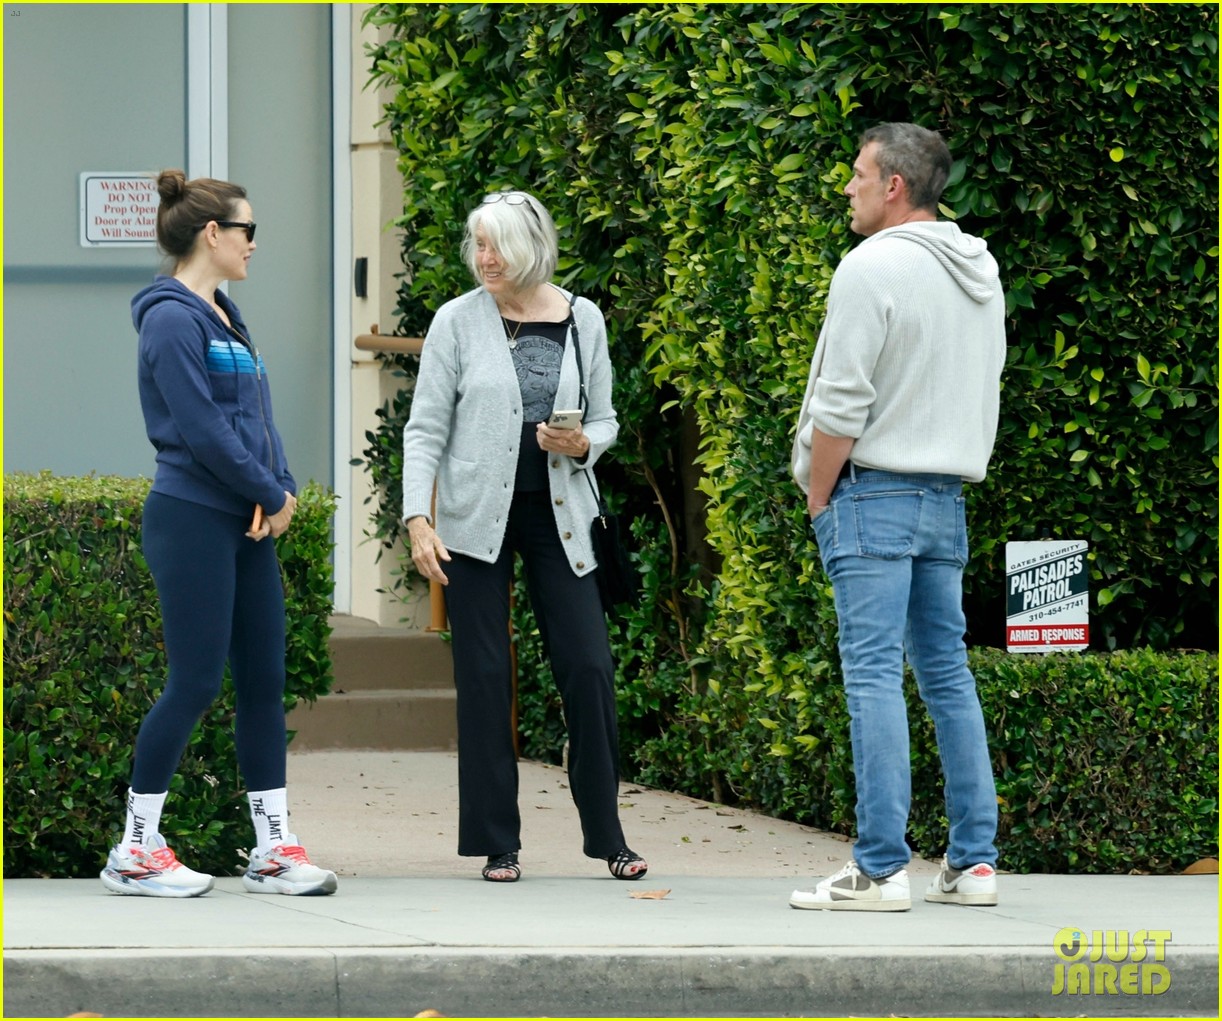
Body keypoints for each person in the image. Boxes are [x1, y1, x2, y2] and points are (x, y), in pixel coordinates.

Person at [99, 170, 337, 898]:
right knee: (196, 681)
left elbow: (254, 416)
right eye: (248, 230)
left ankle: (273, 850)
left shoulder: (224, 313)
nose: (255, 244)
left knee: (264, 682)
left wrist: (284, 485)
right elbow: (200, 430)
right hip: (193, 517)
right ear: (213, 233)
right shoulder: (171, 319)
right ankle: (134, 850)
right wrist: (266, 490)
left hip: (245, 521)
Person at [789, 123, 1006, 912]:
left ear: (894, 187)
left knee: (873, 671)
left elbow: (842, 400)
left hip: (873, 490)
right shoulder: (980, 270)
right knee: (947, 674)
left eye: (857, 174)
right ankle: (974, 862)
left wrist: (819, 495)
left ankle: (881, 869)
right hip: (947, 494)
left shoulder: (870, 265)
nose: (846, 186)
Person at [402, 189, 648, 883]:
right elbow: (424, 429)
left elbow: (606, 422)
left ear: (531, 248)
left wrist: (580, 443)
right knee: (483, 676)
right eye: (477, 244)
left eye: (497, 246)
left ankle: (609, 837)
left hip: (560, 517)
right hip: (475, 522)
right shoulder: (456, 322)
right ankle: (495, 841)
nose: (484, 258)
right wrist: (417, 517)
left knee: (590, 667)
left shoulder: (583, 318)